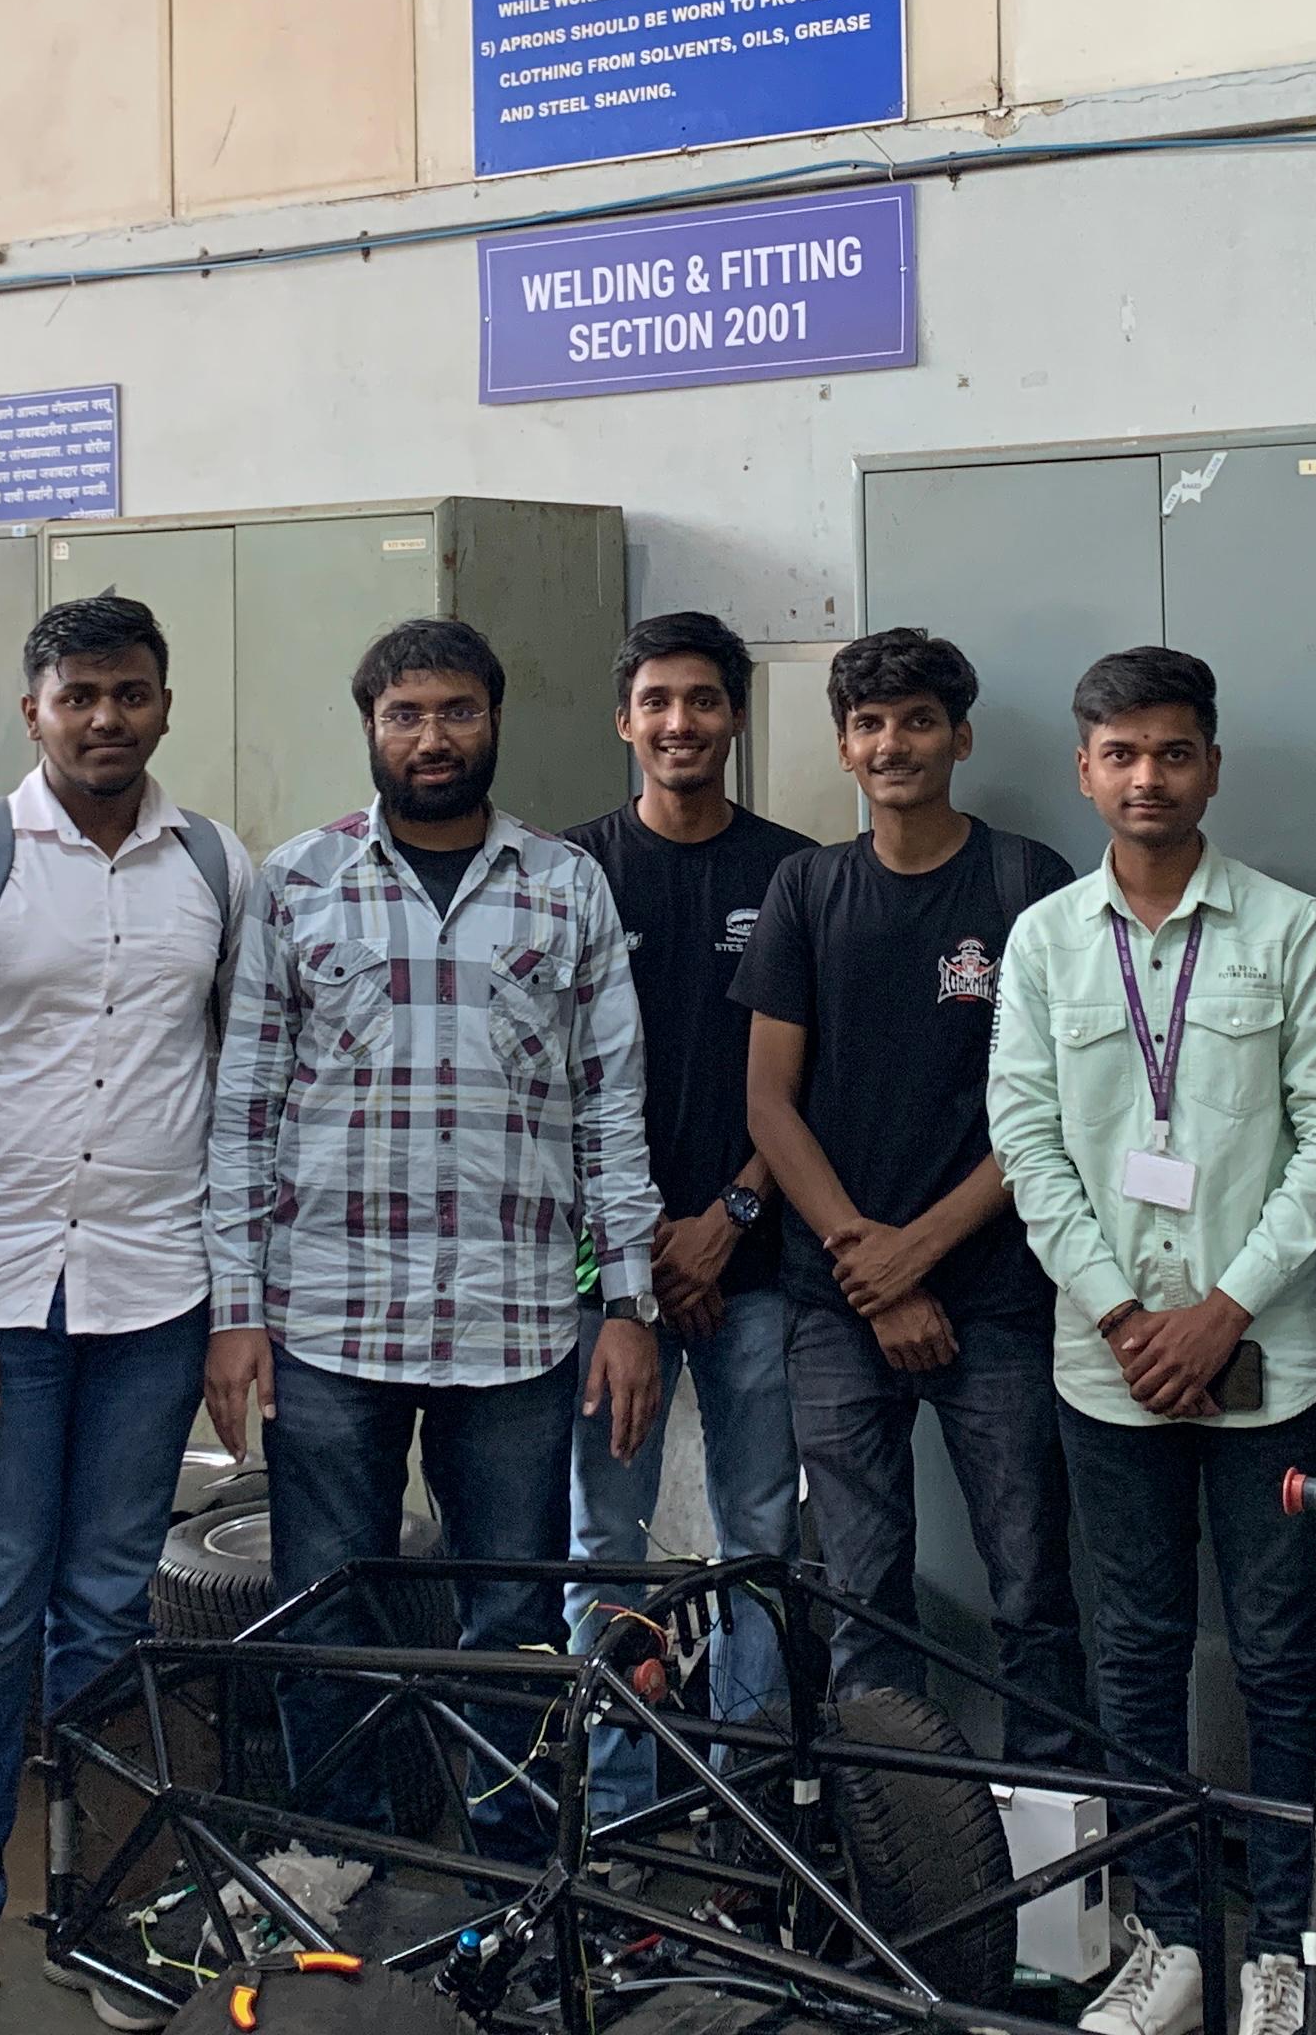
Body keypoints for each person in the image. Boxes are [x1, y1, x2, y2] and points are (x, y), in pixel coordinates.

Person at [204, 615, 661, 1899]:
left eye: (457, 710)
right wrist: (235, 1309)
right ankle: (337, 1849)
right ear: (372, 728)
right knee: (324, 1600)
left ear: (494, 720)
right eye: (406, 714)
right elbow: (244, 1104)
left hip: (514, 1326)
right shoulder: (298, 881)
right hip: (328, 1316)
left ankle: (513, 1870)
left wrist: (625, 1302)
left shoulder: (566, 887)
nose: (433, 736)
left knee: (508, 1615)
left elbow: (609, 1111)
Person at [0, 596, 252, 2035]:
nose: (106, 718)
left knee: (107, 1613)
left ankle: (112, 1918)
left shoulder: (215, 865)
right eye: (79, 694)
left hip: (157, 1294)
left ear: (165, 704)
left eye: (131, 693)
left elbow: (237, 1096)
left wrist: (233, 1307)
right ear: (33, 708)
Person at [990, 649, 1316, 2035]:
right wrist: (1125, 1314)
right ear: (1087, 770)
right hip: (1110, 1369)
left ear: (1211, 763)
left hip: (1266, 1365)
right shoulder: (1043, 942)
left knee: (1281, 1661)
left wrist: (1223, 1309)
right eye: (1120, 754)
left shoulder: (1291, 931)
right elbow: (1029, 1145)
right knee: (1135, 1661)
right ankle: (1165, 1941)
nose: (1146, 777)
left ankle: (1283, 1947)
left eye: (1172, 751)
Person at [740, 627, 1093, 1763]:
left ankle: (1054, 1859)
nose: (895, 744)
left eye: (919, 721)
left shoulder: (1026, 882)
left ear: (962, 737)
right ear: (843, 746)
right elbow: (770, 1108)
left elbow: (1051, 1112)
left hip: (997, 1301)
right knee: (860, 1596)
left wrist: (919, 1257)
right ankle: (894, 1843)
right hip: (833, 1306)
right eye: (871, 725)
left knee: (1035, 1591)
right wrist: (871, 1271)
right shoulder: (806, 888)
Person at [561, 612, 815, 1826]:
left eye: (704, 700)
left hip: (754, 1267)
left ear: (736, 716)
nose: (680, 723)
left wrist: (728, 1217)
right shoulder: (568, 875)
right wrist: (642, 1259)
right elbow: (544, 1084)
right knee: (601, 1540)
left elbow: (812, 1083)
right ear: (625, 721)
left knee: (760, 1532)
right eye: (657, 701)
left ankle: (748, 1799)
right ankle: (612, 1810)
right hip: (607, 1284)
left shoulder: (798, 876)